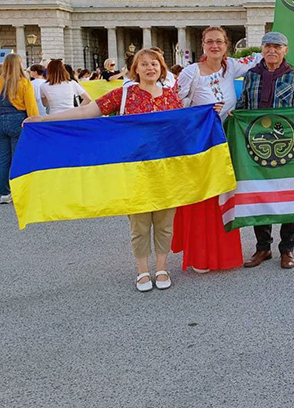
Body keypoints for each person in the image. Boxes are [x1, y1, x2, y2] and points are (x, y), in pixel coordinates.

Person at [25, 48, 182, 292]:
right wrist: (45, 120)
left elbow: (187, 125)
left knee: (165, 222)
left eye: (155, 64)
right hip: (135, 168)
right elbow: (88, 111)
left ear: (161, 68)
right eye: (144, 64)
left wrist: (212, 113)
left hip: (165, 168)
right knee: (139, 223)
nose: (150, 68)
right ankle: (142, 270)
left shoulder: (173, 97)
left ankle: (162, 267)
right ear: (136, 69)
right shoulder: (124, 94)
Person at [172, 26, 260, 274]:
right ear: (202, 45)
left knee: (224, 197)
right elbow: (175, 106)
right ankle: (200, 255)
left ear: (226, 45)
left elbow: (260, 57)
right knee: (203, 199)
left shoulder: (231, 66)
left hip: (226, 142)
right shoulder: (191, 73)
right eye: (210, 42)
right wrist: (205, 113)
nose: (215, 46)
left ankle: (223, 254)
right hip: (200, 145)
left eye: (219, 42)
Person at [237, 31, 294, 270]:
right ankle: (263, 247)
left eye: (277, 47)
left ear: (285, 51)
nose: (272, 51)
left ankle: (287, 249)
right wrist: (233, 117)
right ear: (261, 49)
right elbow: (243, 106)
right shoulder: (251, 76)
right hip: (256, 147)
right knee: (258, 196)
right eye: (268, 46)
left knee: (288, 198)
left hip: (285, 148)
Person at [0, 53, 39, 204]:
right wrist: (34, 122)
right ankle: (19, 190)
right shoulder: (24, 82)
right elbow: (31, 106)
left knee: (4, 159)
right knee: (19, 157)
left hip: (0, 119)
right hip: (18, 119)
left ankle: (4, 193)